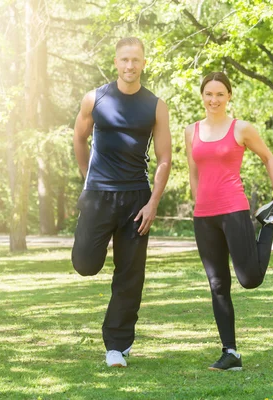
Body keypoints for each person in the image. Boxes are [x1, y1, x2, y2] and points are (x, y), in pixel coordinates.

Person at [71, 37, 172, 368]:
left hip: (136, 199)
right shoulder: (94, 98)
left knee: (130, 275)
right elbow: (79, 138)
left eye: (136, 60)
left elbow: (164, 159)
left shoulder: (156, 106)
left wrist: (153, 203)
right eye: (125, 59)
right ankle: (117, 340)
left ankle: (117, 344)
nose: (130, 65)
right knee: (85, 264)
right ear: (116, 61)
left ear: (144, 63)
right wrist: (89, 179)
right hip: (98, 195)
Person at [184, 71, 273, 371]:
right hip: (204, 217)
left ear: (229, 96)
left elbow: (268, 157)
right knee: (218, 285)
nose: (214, 99)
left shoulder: (241, 128)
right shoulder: (191, 131)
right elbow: (193, 169)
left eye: (220, 94)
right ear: (202, 96)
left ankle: (267, 223)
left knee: (249, 280)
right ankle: (230, 352)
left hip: (233, 210)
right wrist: (196, 201)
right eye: (209, 94)